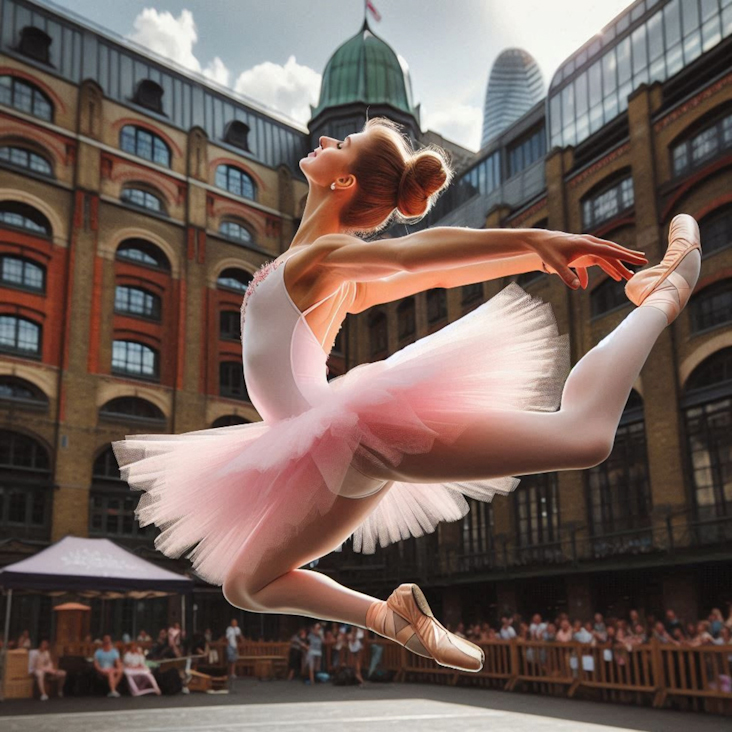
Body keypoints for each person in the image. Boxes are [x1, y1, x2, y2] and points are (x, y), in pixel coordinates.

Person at [111, 115, 701, 675]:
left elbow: (416, 258)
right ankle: (392, 619)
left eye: (339, 142)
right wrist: (535, 246)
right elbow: (426, 269)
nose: (323, 138)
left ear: (342, 181)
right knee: (246, 585)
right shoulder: (316, 264)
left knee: (585, 436)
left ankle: (665, 292)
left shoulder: (323, 259)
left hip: (353, 434)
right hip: (328, 450)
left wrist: (539, 239)